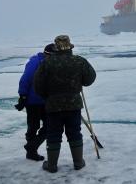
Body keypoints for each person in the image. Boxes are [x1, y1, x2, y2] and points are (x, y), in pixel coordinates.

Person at [34, 35, 96, 173]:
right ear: (70, 46)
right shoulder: (79, 61)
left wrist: (48, 96)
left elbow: (37, 85)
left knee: (54, 134)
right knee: (74, 132)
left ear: (56, 47)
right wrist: (80, 82)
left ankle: (52, 165)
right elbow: (90, 79)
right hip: (74, 105)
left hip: (53, 106)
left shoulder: (47, 63)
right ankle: (78, 163)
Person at [15, 43, 56, 161]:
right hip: (33, 101)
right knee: (33, 126)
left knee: (50, 125)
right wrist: (22, 96)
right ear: (47, 54)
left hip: (46, 101)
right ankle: (31, 152)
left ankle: (31, 147)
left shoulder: (52, 63)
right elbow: (26, 78)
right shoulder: (35, 62)